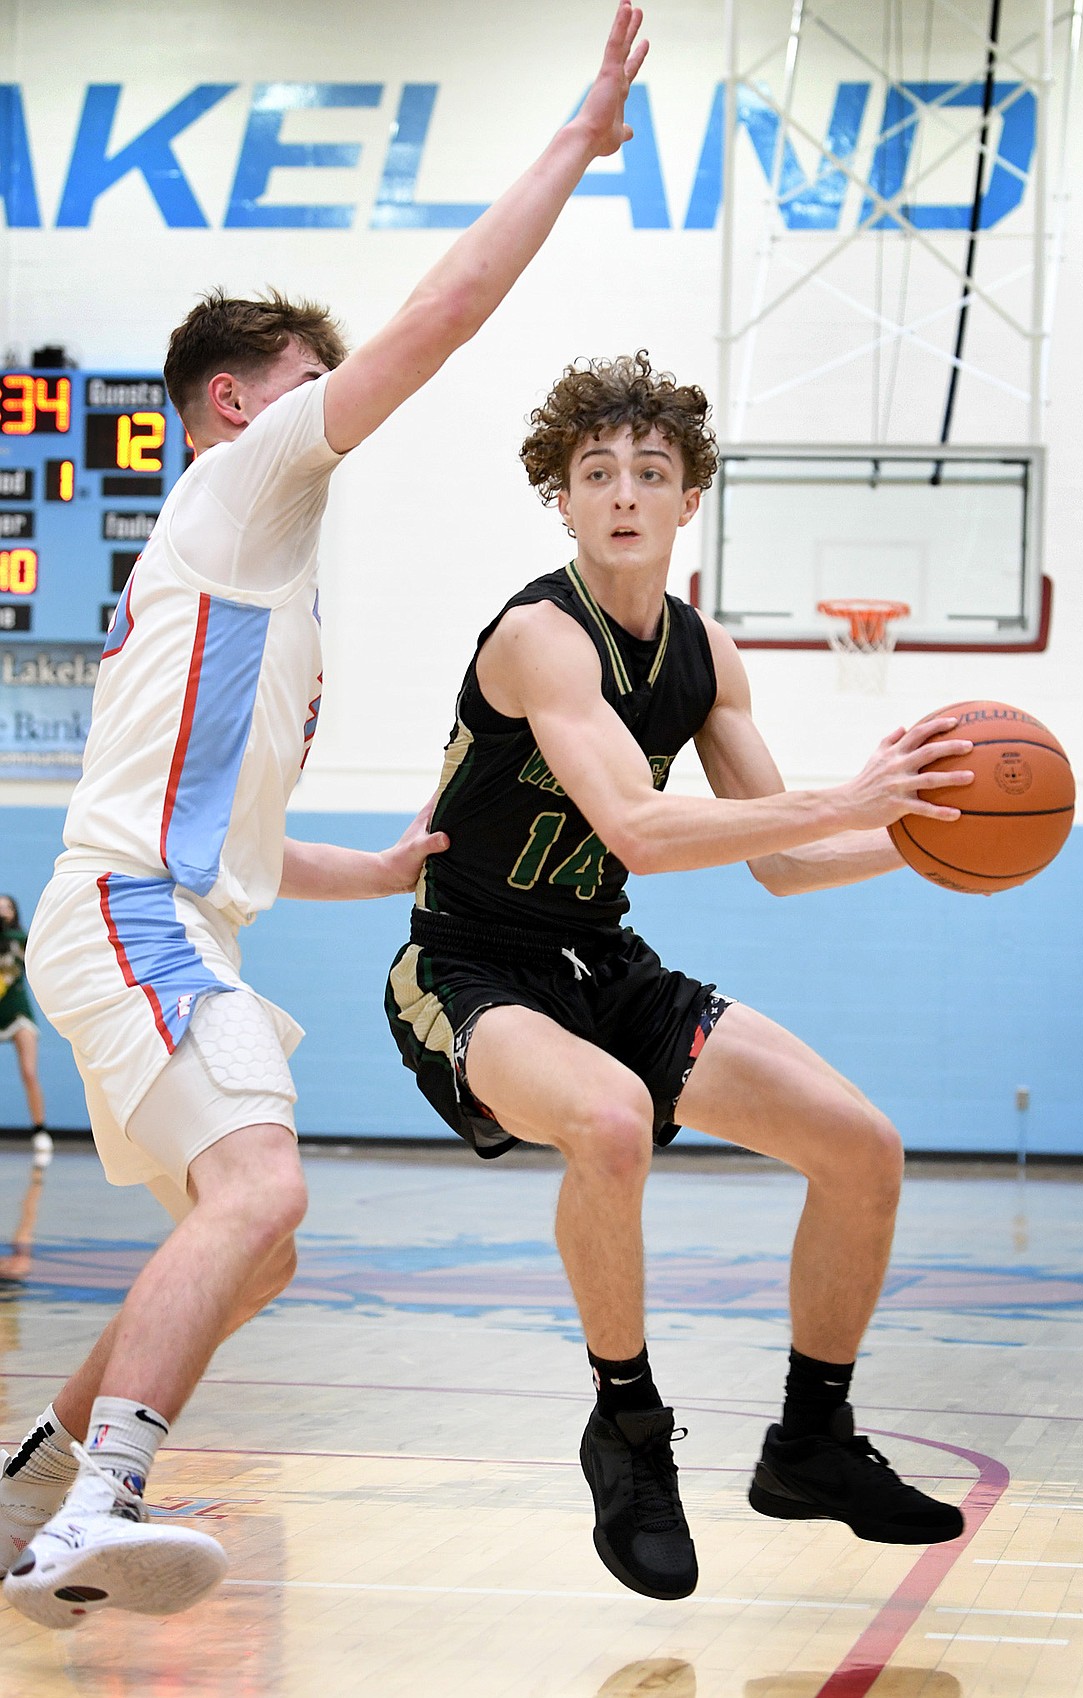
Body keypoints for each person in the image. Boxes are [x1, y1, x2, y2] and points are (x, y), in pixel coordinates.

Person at [0, 3, 648, 1631]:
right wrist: (571, 142)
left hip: (158, 909)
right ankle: (98, 1503)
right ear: (239, 406)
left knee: (258, 1239)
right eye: (307, 383)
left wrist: (354, 866)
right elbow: (436, 319)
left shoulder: (257, 590)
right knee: (267, 1195)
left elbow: (208, 811)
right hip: (135, 917)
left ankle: (28, 1482)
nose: (334, 407)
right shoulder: (241, 487)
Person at [385, 352, 972, 1603]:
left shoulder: (704, 655)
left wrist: (929, 844)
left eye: (650, 471)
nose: (623, 494)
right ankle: (628, 1432)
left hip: (601, 962)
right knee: (607, 1124)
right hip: (469, 964)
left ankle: (808, 1441)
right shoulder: (538, 635)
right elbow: (643, 828)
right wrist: (847, 792)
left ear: (687, 496)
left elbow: (787, 859)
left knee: (862, 1148)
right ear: (561, 494)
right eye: (596, 471)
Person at [0, 894, 53, 1282]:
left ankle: (40, 1133)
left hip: (17, 1009)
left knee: (30, 1072)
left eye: (5, 904)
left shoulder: (22, 936)